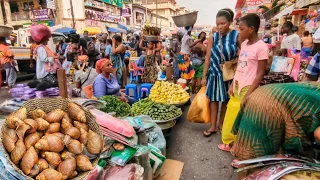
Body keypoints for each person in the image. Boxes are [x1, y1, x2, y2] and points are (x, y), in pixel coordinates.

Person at [230, 82, 320, 162]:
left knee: (247, 159)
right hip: (270, 107)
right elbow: (318, 134)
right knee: (254, 160)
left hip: (263, 93)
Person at [218, 13, 269, 152]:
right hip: (237, 85)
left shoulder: (262, 47)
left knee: (243, 119)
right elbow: (241, 65)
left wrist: (249, 94)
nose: (239, 32)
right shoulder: (245, 44)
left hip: (248, 87)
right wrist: (233, 82)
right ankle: (230, 143)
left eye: (242, 29)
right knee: (231, 113)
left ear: (251, 29)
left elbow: (260, 73)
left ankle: (239, 148)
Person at [202, 8, 239, 137]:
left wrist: (233, 62)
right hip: (214, 73)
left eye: (222, 23)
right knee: (213, 100)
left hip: (228, 74)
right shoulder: (213, 37)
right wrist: (204, 76)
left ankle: (221, 124)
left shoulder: (236, 35)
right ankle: (213, 126)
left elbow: (242, 55)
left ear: (229, 22)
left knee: (225, 100)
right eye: (217, 24)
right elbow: (207, 57)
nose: (219, 26)